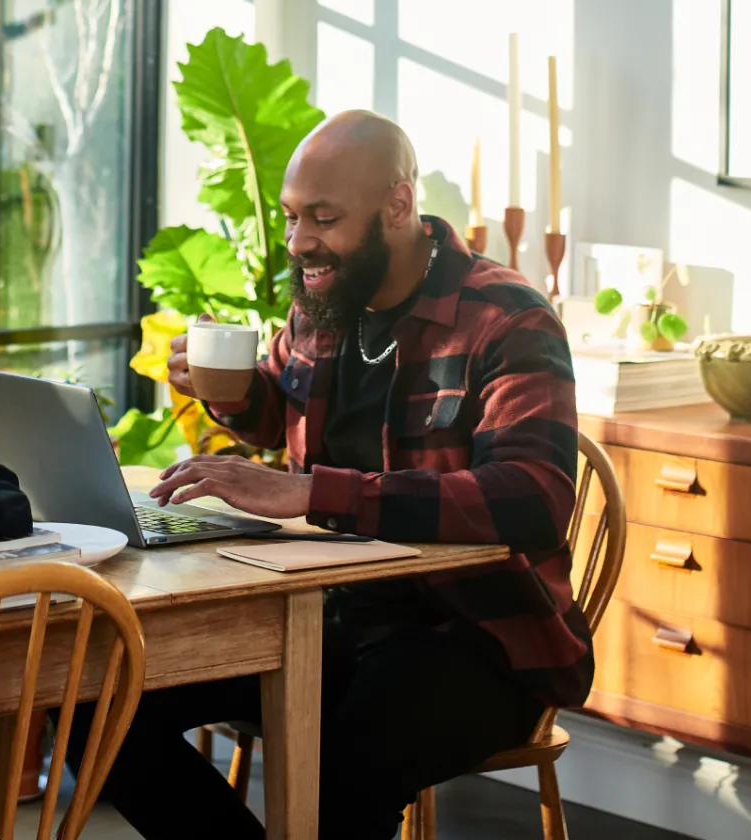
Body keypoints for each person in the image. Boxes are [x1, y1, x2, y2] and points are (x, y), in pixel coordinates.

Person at [66, 111, 589, 838]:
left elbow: (533, 498)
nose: (299, 241)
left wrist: (313, 493)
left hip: (475, 635)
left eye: (323, 218)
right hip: (322, 613)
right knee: (95, 705)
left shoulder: (506, 318)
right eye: (290, 217)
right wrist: (234, 395)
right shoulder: (326, 300)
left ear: (398, 206)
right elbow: (283, 413)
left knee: (342, 765)